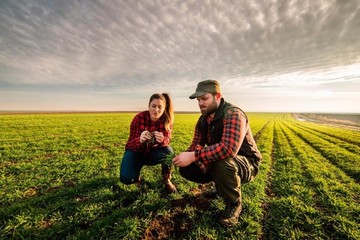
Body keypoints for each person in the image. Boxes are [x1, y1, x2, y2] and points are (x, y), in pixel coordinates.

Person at [172, 80, 262, 226]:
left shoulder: (233, 114)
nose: (201, 103)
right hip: (221, 159)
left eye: (204, 98)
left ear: (217, 96)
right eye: (198, 100)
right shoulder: (203, 120)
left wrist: (195, 155)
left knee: (221, 160)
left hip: (247, 163)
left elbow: (228, 149)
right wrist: (182, 157)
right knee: (187, 167)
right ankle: (220, 187)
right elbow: (196, 145)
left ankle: (234, 203)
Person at [120, 93, 176, 193]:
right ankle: (136, 178)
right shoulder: (139, 118)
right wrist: (140, 140)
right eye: (153, 106)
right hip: (137, 152)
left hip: (153, 154)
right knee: (126, 178)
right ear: (148, 106)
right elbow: (129, 145)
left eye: (160, 107)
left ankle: (166, 179)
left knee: (169, 151)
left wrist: (162, 140)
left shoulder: (167, 120)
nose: (156, 110)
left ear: (164, 108)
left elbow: (167, 141)